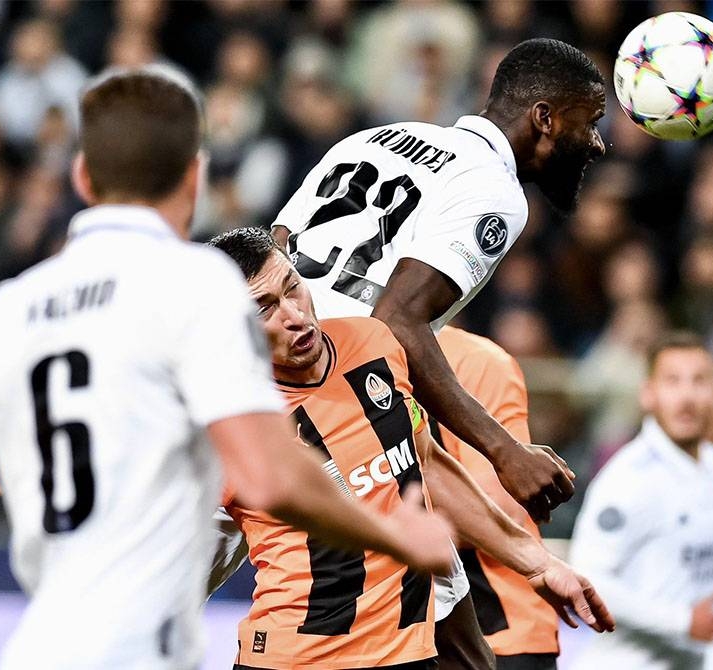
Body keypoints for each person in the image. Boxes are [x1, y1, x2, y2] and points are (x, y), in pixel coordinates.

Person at [0, 68, 453, 670]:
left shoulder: (1, 313)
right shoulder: (197, 288)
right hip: (142, 645)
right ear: (195, 174)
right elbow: (269, 477)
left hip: (41, 644)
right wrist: (398, 536)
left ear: (83, 177)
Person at [207, 227, 613, 670]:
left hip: (408, 653)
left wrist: (537, 564)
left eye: (292, 288)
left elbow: (427, 464)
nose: (293, 315)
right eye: (264, 309)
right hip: (297, 658)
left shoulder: (373, 343)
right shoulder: (229, 420)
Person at [271, 37, 607, 524]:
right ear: (545, 118)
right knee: (422, 586)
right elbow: (397, 320)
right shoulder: (495, 190)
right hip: (335, 400)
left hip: (256, 373)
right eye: (591, 121)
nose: (597, 142)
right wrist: (504, 450)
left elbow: (275, 247)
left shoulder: (371, 138)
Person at [569, 332, 713, 670]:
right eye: (673, 381)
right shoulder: (628, 478)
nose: (687, 396)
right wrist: (682, 622)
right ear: (648, 394)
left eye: (699, 381)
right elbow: (589, 578)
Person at [434, 325, 561, 670]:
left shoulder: (475, 360)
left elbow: (502, 504)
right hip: (413, 637)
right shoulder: (348, 363)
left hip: (499, 632)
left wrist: (369, 533)